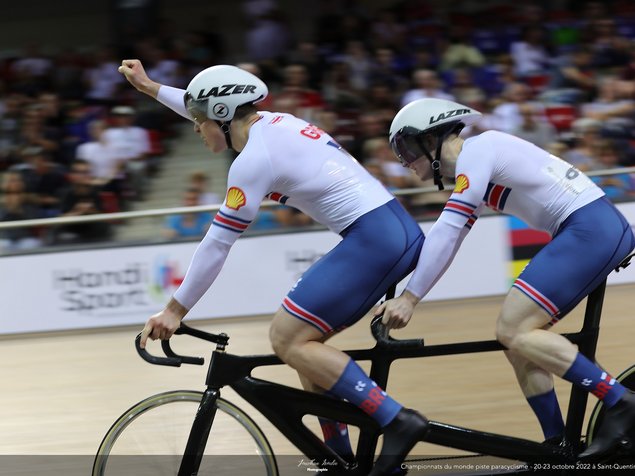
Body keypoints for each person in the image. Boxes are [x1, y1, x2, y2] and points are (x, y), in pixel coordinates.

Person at [118, 58, 428, 474]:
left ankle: (397, 420)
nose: (194, 127)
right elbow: (205, 106)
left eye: (198, 121)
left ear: (222, 115)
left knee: (287, 338)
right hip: (387, 231)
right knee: (305, 350)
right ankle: (340, 461)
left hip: (376, 239)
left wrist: (175, 310)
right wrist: (150, 87)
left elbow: (217, 244)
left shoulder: (253, 160)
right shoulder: (272, 124)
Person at [377, 98, 635, 460]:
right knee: (518, 343)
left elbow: (449, 229)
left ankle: (621, 402)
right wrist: (407, 287)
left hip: (589, 228)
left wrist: (410, 298)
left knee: (513, 329)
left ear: (430, 139)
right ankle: (557, 445)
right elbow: (450, 236)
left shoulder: (477, 152)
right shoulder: (478, 164)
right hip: (590, 228)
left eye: (406, 148)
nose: (405, 161)